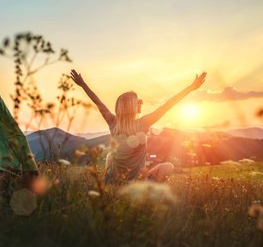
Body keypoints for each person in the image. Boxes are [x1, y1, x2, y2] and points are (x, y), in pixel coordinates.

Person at [70, 69, 207, 183]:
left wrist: (83, 84)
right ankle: (147, 190)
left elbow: (97, 101)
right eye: (138, 101)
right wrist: (190, 88)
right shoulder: (143, 123)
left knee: (111, 155)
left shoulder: (112, 122)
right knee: (168, 167)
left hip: (114, 181)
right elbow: (167, 105)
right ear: (132, 107)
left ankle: (108, 180)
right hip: (137, 183)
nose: (141, 103)